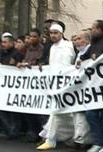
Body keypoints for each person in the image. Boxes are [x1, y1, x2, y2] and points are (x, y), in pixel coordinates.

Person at [37, 22, 76, 150]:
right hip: (54, 83)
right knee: (60, 113)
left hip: (65, 83)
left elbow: (66, 65)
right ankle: (66, 138)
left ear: (61, 34)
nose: (53, 35)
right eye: (51, 33)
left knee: (58, 111)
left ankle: (51, 139)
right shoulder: (52, 47)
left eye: (55, 33)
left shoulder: (68, 46)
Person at [82, 20, 103, 152]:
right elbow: (85, 57)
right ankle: (98, 142)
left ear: (101, 30)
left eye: (93, 28)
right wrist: (81, 60)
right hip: (95, 87)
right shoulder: (94, 43)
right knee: (91, 114)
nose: (91, 31)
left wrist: (99, 57)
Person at [65, 30, 92, 149]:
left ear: (87, 40)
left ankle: (83, 140)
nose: (76, 42)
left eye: (79, 39)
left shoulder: (90, 51)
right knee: (76, 113)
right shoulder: (79, 53)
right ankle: (78, 137)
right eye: (75, 39)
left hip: (87, 88)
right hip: (78, 87)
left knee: (83, 115)